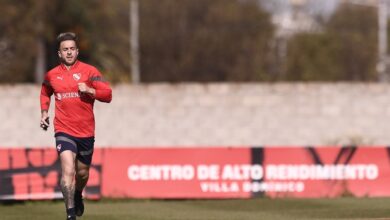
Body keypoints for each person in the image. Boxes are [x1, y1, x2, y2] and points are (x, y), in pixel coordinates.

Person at [40, 32, 112, 220]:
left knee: (81, 173)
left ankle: (78, 194)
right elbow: (45, 92)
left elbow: (108, 94)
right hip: (63, 130)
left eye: (72, 49)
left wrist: (89, 90)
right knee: (68, 170)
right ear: (59, 53)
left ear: (77, 51)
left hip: (86, 132)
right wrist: (44, 112)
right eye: (65, 50)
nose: (69, 52)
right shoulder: (52, 75)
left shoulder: (90, 72)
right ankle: (70, 214)